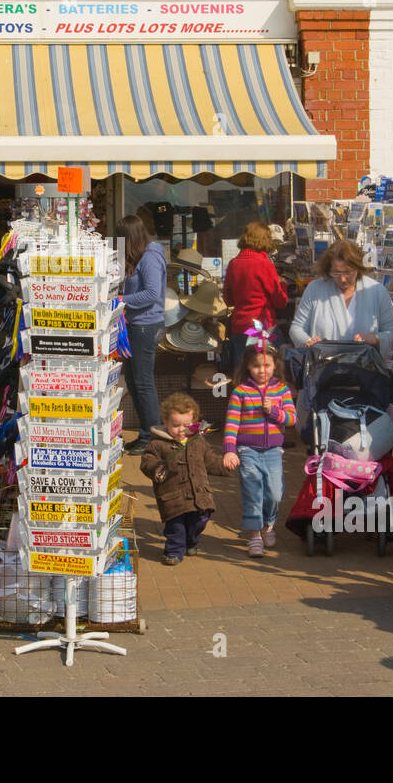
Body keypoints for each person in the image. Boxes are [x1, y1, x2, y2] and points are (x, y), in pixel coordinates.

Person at [222, 339, 296, 558]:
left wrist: (274, 412)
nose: (262, 370)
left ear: (275, 366)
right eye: (256, 366)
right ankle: (255, 535)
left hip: (274, 451)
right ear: (247, 366)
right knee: (252, 491)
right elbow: (232, 424)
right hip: (248, 450)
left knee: (274, 493)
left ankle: (269, 524)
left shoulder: (282, 391)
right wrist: (229, 449)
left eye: (267, 366)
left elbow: (292, 419)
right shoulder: (240, 392)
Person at [139, 392, 225, 566]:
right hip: (173, 496)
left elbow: (210, 460)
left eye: (187, 425)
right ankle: (173, 551)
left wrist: (225, 464)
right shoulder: (157, 443)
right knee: (176, 527)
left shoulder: (198, 441)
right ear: (165, 422)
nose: (181, 430)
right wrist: (156, 467)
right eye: (176, 425)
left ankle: (191, 541)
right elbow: (147, 461)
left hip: (199, 494)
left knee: (199, 522)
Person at [289, 239, 393, 356]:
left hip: (364, 370)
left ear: (358, 267)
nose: (342, 279)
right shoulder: (315, 288)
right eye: (336, 273)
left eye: (348, 272)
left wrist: (374, 339)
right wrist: (308, 342)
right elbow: (296, 328)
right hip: (323, 367)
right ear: (328, 269)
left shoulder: (376, 291)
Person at [119, 214, 167, 454]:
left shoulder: (150, 257)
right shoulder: (142, 257)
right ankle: (145, 434)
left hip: (146, 326)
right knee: (134, 381)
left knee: (142, 382)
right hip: (136, 325)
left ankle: (152, 436)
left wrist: (120, 300)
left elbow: (152, 294)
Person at [224, 221, 291, 370]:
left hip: (240, 326)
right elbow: (280, 301)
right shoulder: (264, 264)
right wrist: (283, 284)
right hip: (262, 326)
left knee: (243, 374)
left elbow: (228, 300)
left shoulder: (233, 263)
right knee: (274, 370)